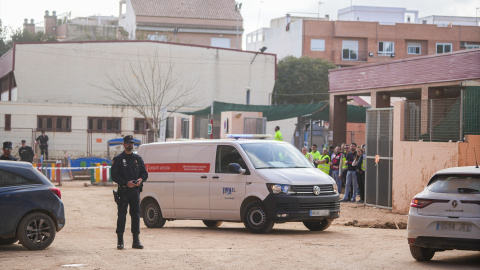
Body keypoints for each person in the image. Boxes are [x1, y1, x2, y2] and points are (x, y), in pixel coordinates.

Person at [111, 135, 148, 250]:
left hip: (135, 192)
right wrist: (126, 183)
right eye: (128, 143)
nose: (130, 145)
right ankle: (120, 241)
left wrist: (140, 180)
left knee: (136, 215)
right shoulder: (118, 159)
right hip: (123, 191)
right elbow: (114, 176)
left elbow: (145, 174)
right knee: (122, 216)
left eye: (131, 143)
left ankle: (136, 240)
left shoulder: (137, 158)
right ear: (124, 144)